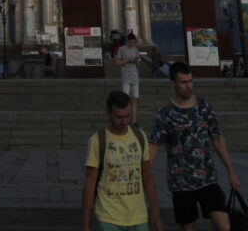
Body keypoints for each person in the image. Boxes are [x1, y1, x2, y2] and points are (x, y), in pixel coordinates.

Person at [148, 62, 239, 231]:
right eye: (183, 82)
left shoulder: (204, 107)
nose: (188, 86)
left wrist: (231, 171)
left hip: (207, 179)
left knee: (224, 225)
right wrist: (145, 173)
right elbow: (153, 145)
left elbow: (217, 139)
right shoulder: (164, 114)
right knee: (188, 227)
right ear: (172, 83)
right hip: (180, 182)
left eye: (190, 81)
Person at [81, 89, 163, 231]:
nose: (124, 121)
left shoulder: (140, 136)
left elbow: (147, 175)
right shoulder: (97, 140)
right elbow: (90, 182)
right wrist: (85, 224)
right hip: (108, 216)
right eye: (119, 117)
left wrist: (155, 212)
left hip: (138, 216)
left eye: (128, 116)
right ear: (109, 114)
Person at [116, 33, 145, 123]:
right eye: (130, 42)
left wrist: (137, 61)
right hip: (126, 77)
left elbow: (139, 61)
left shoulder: (135, 50)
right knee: (125, 99)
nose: (132, 44)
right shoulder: (121, 49)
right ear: (127, 41)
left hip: (135, 77)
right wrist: (128, 60)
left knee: (135, 99)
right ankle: (125, 119)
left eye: (133, 42)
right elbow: (117, 63)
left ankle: (134, 121)